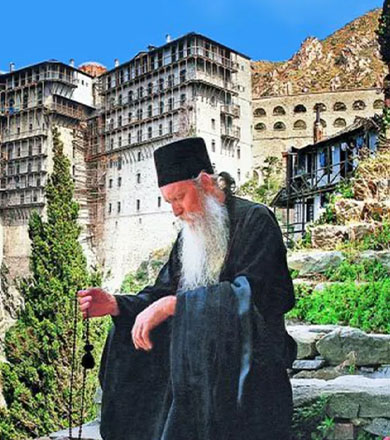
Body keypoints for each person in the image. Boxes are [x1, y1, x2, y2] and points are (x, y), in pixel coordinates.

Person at [77, 137, 297, 440]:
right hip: (200, 355)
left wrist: (176, 306)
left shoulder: (255, 220)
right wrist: (117, 304)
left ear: (205, 183)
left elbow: (255, 298)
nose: (176, 211)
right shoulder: (191, 233)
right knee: (129, 334)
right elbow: (162, 292)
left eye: (179, 198)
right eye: (170, 203)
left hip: (249, 364)